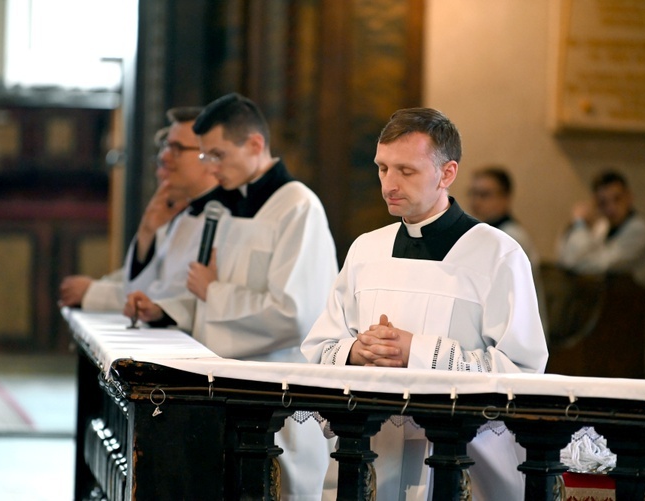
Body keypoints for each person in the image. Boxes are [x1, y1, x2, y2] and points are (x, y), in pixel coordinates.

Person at [301, 107, 548, 500]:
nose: (388, 184)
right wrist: (355, 352)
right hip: (368, 459)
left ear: (447, 173)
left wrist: (414, 352)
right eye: (382, 168)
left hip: (460, 463)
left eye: (406, 171)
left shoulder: (497, 254)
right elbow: (319, 348)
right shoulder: (366, 249)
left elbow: (521, 370)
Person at [123, 93, 338, 500]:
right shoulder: (226, 208)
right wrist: (167, 308)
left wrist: (214, 291)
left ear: (255, 145)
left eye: (218, 154)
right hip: (228, 392)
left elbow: (295, 315)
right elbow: (209, 295)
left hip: (278, 401)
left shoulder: (297, 208)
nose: (211, 167)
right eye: (205, 156)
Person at [58, 107, 228, 311]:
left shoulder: (226, 220)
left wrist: (94, 293)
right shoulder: (182, 214)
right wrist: (147, 232)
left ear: (209, 155)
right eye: (165, 147)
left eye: (177, 148)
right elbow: (142, 287)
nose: (164, 157)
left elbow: (181, 301)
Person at [556, 169, 645, 379]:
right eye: (603, 203)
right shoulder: (603, 227)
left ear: (630, 197)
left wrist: (580, 226)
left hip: (644, 325)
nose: (611, 207)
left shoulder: (640, 231)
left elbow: (598, 264)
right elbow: (568, 260)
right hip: (617, 325)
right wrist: (579, 225)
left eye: (617, 199)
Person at [468, 165, 548, 335]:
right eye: (473, 193)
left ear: (505, 198)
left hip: (517, 330)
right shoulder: (485, 233)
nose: (476, 201)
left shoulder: (511, 237)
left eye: (484, 194)